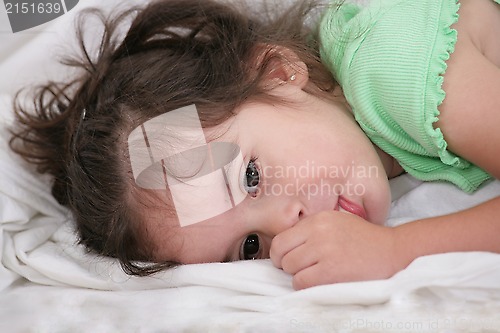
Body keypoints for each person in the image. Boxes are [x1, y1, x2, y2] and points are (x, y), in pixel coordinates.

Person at [8, 0, 500, 290]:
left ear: (278, 72)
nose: (285, 226)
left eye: (250, 176)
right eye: (248, 248)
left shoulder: (394, 69)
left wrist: (398, 249)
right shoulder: (371, 139)